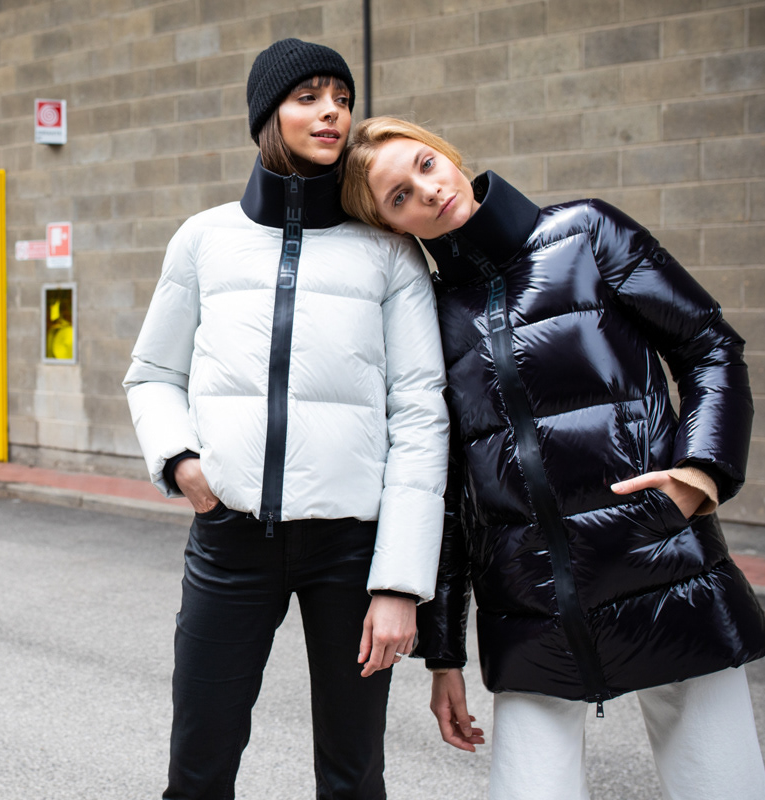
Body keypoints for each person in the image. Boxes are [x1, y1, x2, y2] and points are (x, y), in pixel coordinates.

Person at [340, 116, 765, 800]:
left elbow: (710, 347)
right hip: (528, 605)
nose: (426, 191)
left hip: (662, 562)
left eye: (425, 165)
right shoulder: (430, 311)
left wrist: (700, 474)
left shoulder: (587, 233)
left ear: (447, 155)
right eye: (398, 197)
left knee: (723, 788)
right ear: (391, 227)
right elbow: (448, 490)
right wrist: (444, 655)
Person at [124, 43, 450, 799]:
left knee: (352, 775)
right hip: (230, 537)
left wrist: (399, 582)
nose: (332, 111)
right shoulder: (204, 239)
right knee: (198, 767)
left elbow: (419, 415)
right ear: (267, 115)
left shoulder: (389, 253)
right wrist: (182, 464)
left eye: (342, 97)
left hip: (352, 550)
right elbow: (154, 375)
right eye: (309, 96)